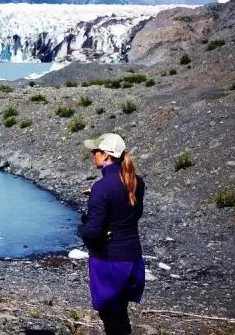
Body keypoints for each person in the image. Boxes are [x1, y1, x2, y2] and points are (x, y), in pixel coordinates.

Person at [81, 133, 145, 335]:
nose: (93, 156)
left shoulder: (102, 187)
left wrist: (86, 226)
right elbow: (132, 213)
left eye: (95, 152)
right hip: (133, 257)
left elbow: (92, 232)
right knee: (120, 311)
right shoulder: (136, 182)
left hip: (109, 260)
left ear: (107, 155)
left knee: (109, 314)